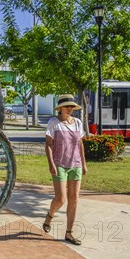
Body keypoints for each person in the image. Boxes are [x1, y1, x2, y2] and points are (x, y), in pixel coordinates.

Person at [43, 93, 88, 245]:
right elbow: (48, 144)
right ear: (60, 108)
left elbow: (80, 144)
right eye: (67, 106)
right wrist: (51, 164)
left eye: (71, 106)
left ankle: (69, 233)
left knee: (74, 198)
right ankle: (50, 215)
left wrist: (83, 163)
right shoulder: (53, 123)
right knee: (61, 198)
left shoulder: (77, 122)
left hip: (75, 164)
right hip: (59, 164)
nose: (70, 108)